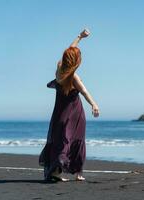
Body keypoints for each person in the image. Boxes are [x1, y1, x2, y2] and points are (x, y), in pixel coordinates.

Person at [39, 29, 99, 182]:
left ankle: (59, 172)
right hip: (75, 113)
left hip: (59, 113)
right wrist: (94, 105)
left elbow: (66, 54)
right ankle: (74, 172)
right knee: (76, 140)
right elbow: (85, 92)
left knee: (62, 140)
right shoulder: (73, 78)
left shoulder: (59, 69)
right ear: (76, 62)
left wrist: (79, 37)